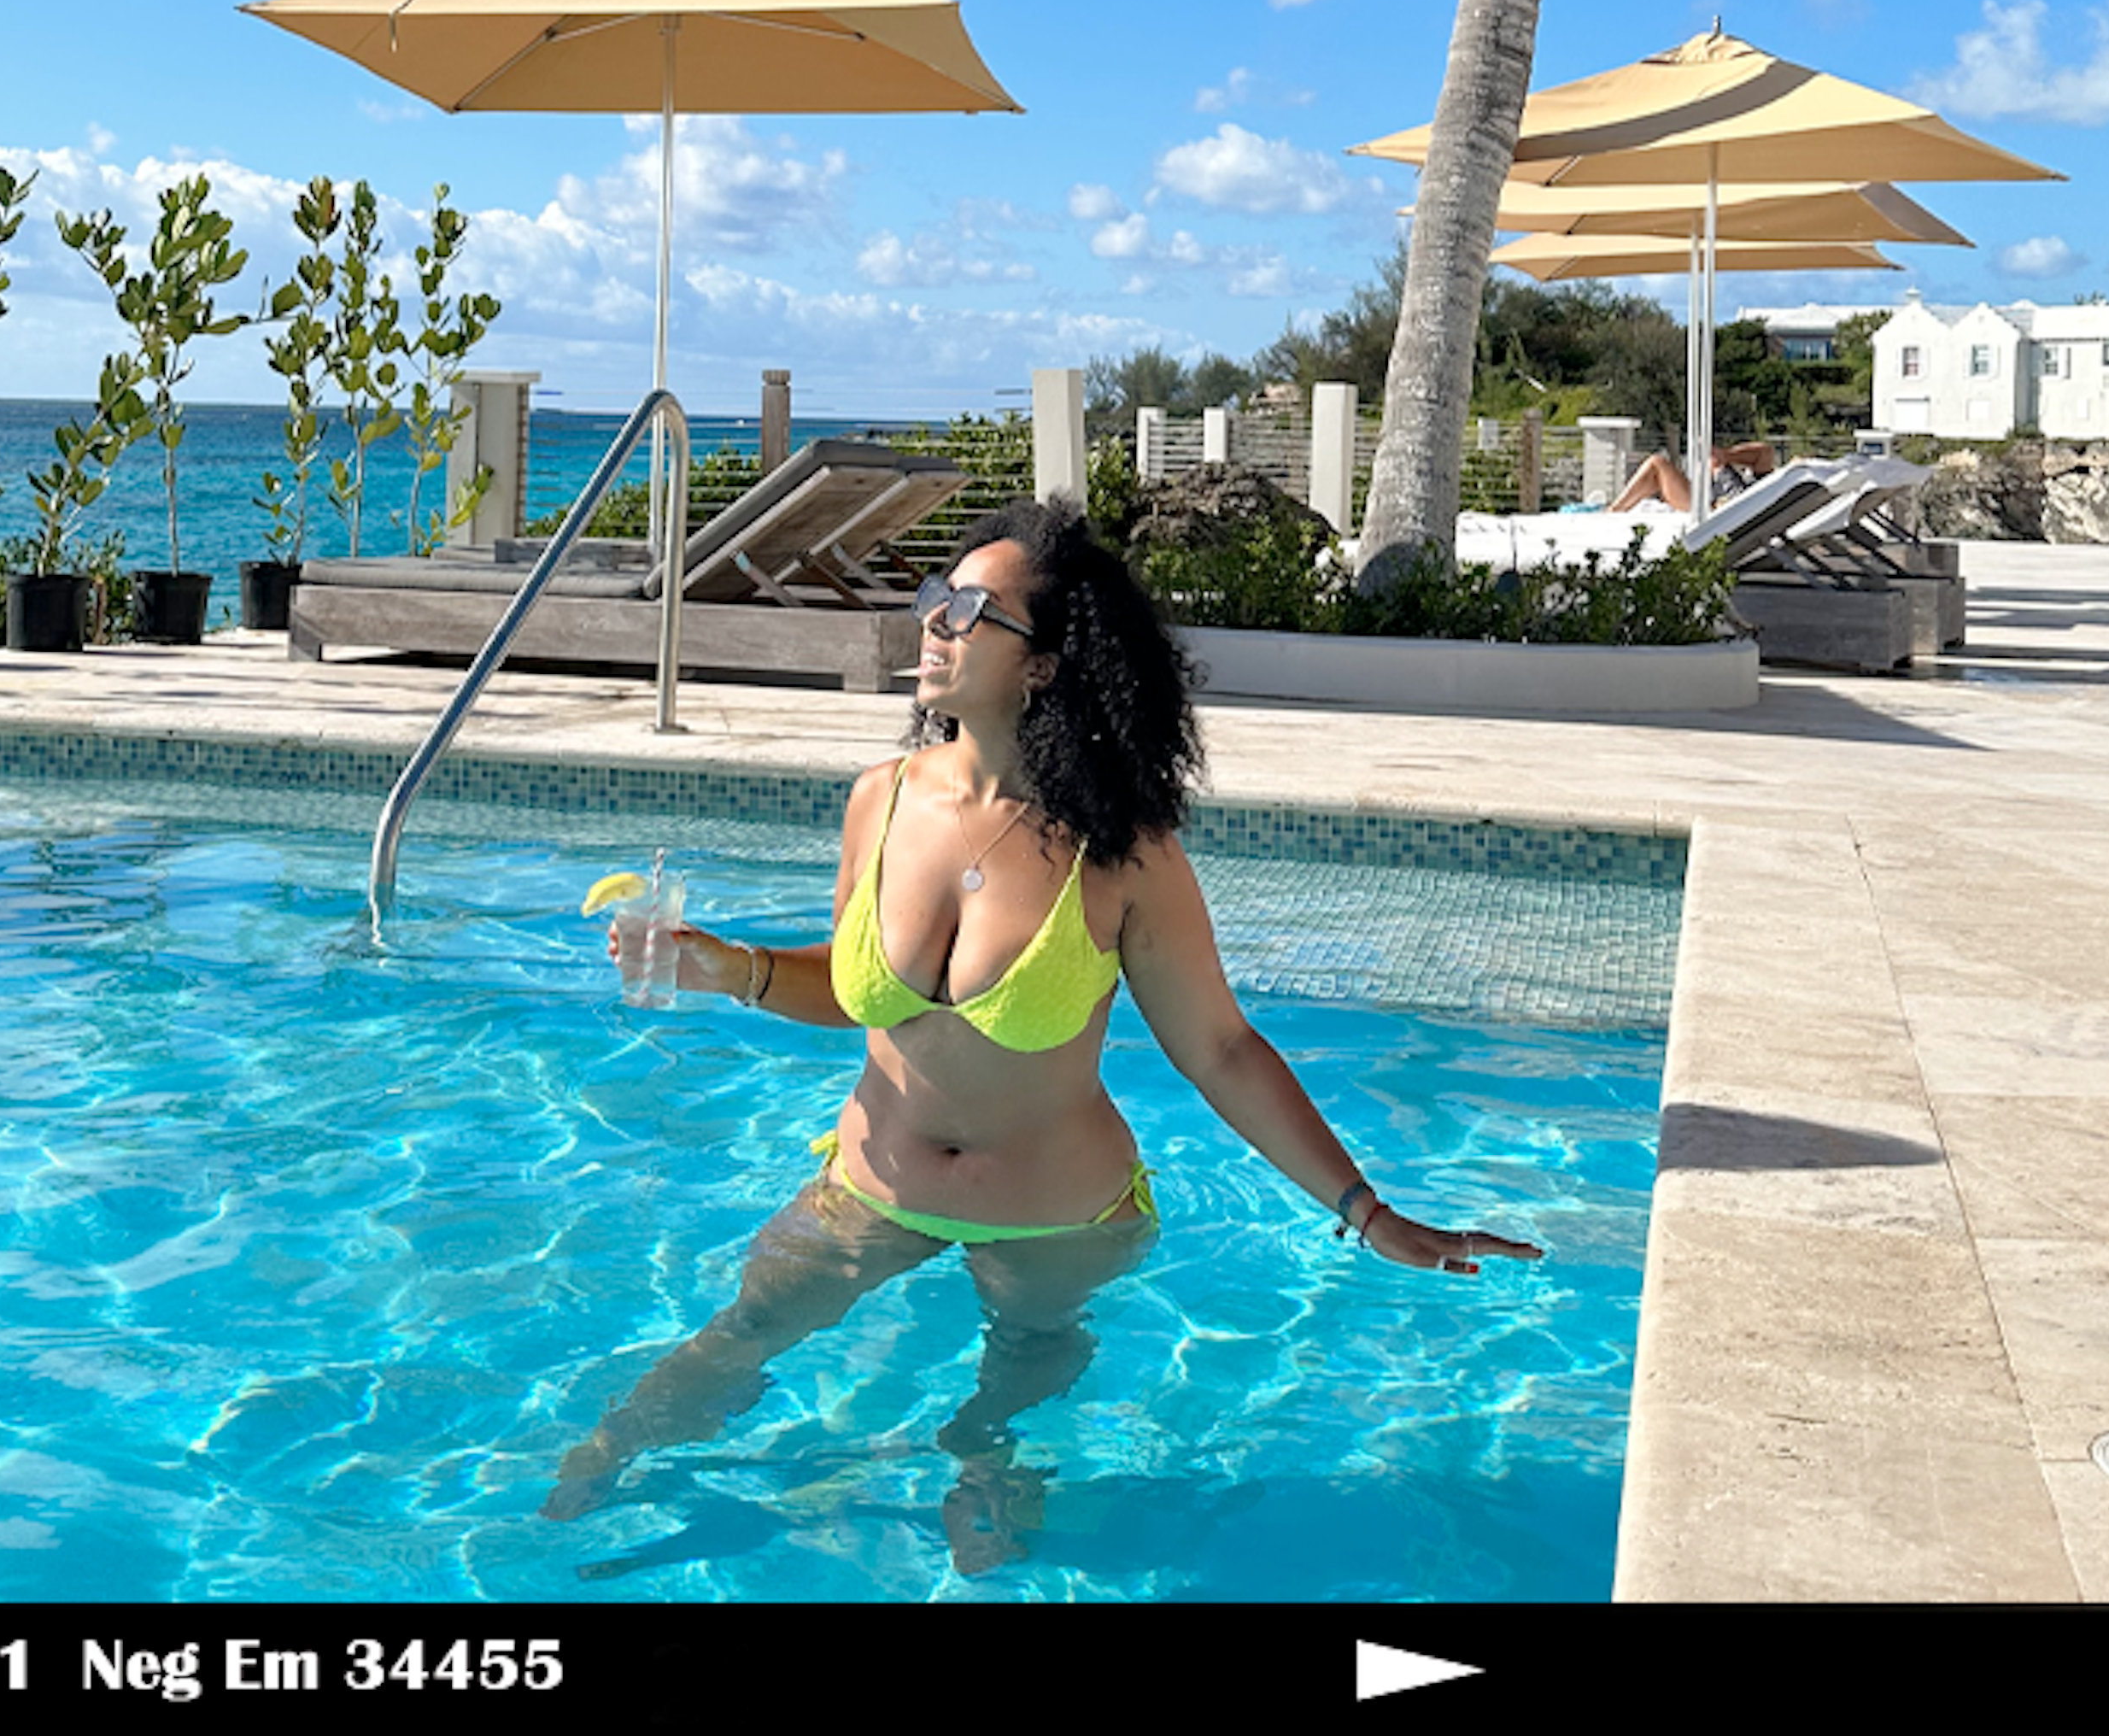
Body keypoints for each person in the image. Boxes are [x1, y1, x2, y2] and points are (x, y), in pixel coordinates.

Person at [545, 497, 1544, 1562]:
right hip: (873, 1180)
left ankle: (987, 1443)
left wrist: (1367, 1210)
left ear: (1044, 666)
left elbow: (1220, 1049)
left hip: (1060, 1215)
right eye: (934, 597)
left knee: (1026, 1350)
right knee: (740, 1331)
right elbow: (855, 986)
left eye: (969, 607)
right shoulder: (879, 799)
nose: (934, 619)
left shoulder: (1124, 854)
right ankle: (586, 1485)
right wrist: (725, 966)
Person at [1608, 437, 1777, 517]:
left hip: (1713, 508)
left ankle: (1614, 511)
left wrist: (1719, 468)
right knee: (1655, 475)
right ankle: (1617, 509)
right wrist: (1724, 457)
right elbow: (1764, 451)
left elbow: (1733, 501)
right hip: (1711, 498)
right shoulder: (1767, 486)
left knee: (1657, 464)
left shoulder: (1761, 495)